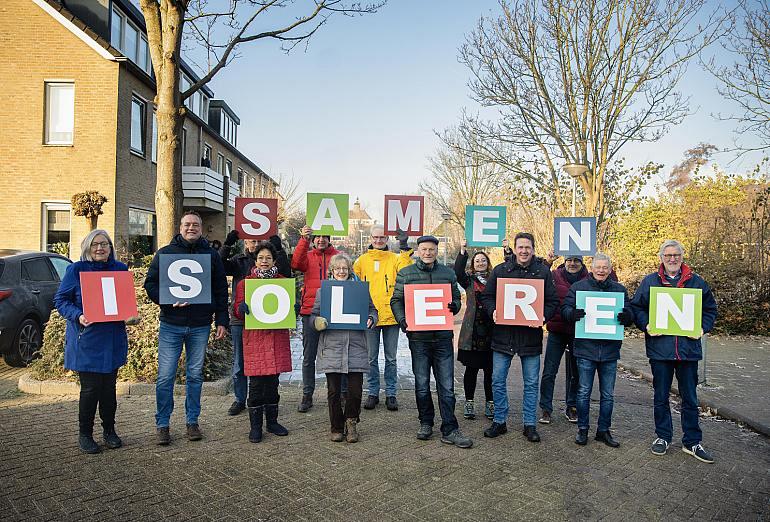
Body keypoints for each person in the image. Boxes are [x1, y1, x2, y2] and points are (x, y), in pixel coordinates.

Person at [144, 210, 229, 445]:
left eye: (195, 225)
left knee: (194, 376)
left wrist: (221, 320)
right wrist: (166, 298)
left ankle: (192, 422)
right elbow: (149, 284)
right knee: (165, 377)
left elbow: (221, 289)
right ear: (180, 227)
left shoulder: (211, 255)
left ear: (201, 229)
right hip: (171, 324)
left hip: (201, 325)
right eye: (187, 224)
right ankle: (162, 425)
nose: (191, 228)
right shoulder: (166, 253)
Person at [631, 240, 718, 463]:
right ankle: (663, 437)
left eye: (676, 255)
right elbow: (636, 307)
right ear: (661, 257)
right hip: (660, 350)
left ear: (682, 257)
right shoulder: (650, 281)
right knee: (661, 396)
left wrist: (702, 328)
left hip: (688, 351)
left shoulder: (696, 282)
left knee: (690, 397)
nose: (672, 259)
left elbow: (710, 309)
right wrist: (647, 325)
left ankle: (692, 441)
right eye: (668, 255)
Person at [54, 229, 137, 454]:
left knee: (109, 389)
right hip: (87, 338)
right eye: (95, 244)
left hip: (112, 338)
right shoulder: (76, 269)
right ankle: (85, 434)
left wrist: (131, 314)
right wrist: (78, 315)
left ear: (110, 248)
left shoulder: (120, 269)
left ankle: (109, 431)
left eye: (104, 244)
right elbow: (61, 300)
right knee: (90, 389)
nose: (100, 248)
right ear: (87, 247)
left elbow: (125, 301)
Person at [391, 235, 473, 449]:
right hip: (418, 339)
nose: (428, 253)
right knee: (422, 385)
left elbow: (456, 297)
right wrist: (402, 321)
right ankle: (425, 422)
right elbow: (396, 300)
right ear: (418, 251)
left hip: (443, 339)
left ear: (437, 251)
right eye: (424, 249)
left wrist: (454, 306)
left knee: (446, 386)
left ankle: (450, 428)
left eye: (432, 250)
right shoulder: (406, 273)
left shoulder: (447, 273)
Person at [479, 232, 558, 443]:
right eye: (520, 247)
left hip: (530, 337)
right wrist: (493, 310)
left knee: (531, 383)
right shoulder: (500, 270)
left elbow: (552, 301)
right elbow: (486, 296)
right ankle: (499, 421)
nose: (524, 251)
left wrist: (543, 316)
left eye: (528, 247)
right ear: (514, 249)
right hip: (503, 337)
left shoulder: (543, 272)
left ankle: (529, 424)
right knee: (497, 381)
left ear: (533, 249)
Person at [561, 253, 634, 447]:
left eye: (605, 267)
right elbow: (565, 309)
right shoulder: (578, 288)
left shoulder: (619, 290)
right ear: (591, 268)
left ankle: (603, 430)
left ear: (610, 269)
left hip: (610, 350)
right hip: (586, 349)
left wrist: (627, 316)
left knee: (608, 394)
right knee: (584, 391)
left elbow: (630, 312)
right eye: (598, 267)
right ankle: (583, 429)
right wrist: (571, 314)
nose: (601, 270)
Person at [219, 231, 290, 416]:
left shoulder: (273, 265)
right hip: (240, 320)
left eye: (258, 240)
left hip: (266, 321)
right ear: (246, 242)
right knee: (240, 363)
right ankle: (240, 399)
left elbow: (287, 273)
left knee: (264, 364)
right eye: (252, 240)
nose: (254, 243)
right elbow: (218, 265)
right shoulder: (238, 261)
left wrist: (279, 248)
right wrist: (227, 244)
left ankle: (264, 402)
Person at [312, 253, 378, 442]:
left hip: (356, 346)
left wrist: (372, 319)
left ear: (350, 270)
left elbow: (373, 310)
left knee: (355, 390)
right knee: (333, 390)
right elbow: (312, 316)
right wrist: (316, 322)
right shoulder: (324, 291)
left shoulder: (359, 290)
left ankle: (351, 422)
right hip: (332, 346)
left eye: (345, 268)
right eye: (338, 268)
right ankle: (336, 426)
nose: (341, 271)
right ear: (332, 271)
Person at [233, 242, 291, 443]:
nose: (264, 261)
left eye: (268, 258)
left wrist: (294, 307)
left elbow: (290, 310)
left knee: (273, 384)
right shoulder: (245, 283)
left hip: (276, 339)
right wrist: (241, 309)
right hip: (255, 340)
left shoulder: (283, 282)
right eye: (260, 258)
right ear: (255, 261)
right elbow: (237, 311)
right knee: (256, 385)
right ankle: (255, 426)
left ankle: (272, 422)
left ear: (274, 261)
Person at [353, 225, 412, 411]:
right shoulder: (362, 261)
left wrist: (404, 244)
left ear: (387, 239)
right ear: (370, 238)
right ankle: (372, 392)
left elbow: (407, 269)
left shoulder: (395, 259)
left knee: (391, 358)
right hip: (370, 316)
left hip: (391, 315)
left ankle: (391, 394)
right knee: (370, 358)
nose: (378, 240)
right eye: (375, 237)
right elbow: (352, 284)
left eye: (382, 237)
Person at [291, 225, 340, 412]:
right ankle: (307, 394)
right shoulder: (307, 255)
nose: (321, 240)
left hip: (334, 311)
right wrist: (303, 239)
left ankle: (338, 394)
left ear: (329, 238)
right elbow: (295, 264)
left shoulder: (338, 255)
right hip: (310, 311)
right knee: (308, 356)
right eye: (317, 237)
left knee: (335, 355)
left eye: (324, 237)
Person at [538, 254, 588, 425]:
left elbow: (610, 279)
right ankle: (546, 408)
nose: (572, 264)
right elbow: (538, 273)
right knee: (549, 371)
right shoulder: (553, 275)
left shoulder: (589, 278)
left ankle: (571, 406)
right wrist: (547, 261)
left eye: (576, 261)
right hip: (557, 330)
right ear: (564, 262)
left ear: (582, 263)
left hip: (579, 332)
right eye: (569, 260)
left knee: (575, 372)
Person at [454, 238, 494, 420]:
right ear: (473, 264)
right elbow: (457, 272)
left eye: (483, 260)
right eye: (477, 261)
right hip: (472, 333)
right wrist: (462, 250)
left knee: (490, 371)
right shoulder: (468, 280)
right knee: (471, 370)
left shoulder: (495, 279)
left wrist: (508, 250)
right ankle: (469, 403)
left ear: (488, 263)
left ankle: (490, 404)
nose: (480, 263)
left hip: (492, 331)